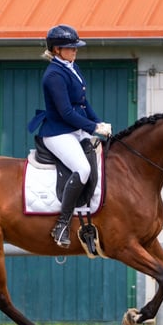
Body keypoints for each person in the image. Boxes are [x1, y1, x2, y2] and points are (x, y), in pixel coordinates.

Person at [28, 24, 112, 247]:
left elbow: (83, 104)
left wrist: (97, 122)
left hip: (75, 129)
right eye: (70, 48)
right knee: (82, 169)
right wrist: (92, 128)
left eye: (76, 47)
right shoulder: (53, 75)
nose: (75, 51)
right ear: (56, 49)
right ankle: (62, 224)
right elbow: (66, 112)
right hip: (58, 132)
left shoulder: (72, 67)